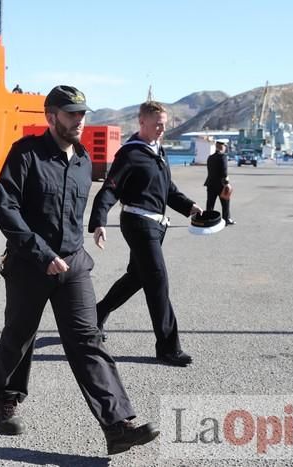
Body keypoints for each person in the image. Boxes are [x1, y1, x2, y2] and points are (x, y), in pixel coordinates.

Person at [0, 85, 159, 455]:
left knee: (87, 341)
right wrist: (40, 251)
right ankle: (6, 397)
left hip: (73, 265)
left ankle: (118, 425)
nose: (79, 120)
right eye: (71, 113)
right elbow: (7, 209)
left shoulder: (84, 160)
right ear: (51, 116)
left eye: (82, 113)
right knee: (20, 334)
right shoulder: (26, 154)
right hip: (31, 264)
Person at [88, 101, 202, 367]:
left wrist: (190, 207)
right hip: (138, 224)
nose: (162, 129)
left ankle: (98, 313)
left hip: (157, 225)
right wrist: (99, 221)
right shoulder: (130, 154)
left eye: (164, 123)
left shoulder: (157, 151)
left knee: (137, 277)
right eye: (157, 124)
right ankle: (168, 348)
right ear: (142, 123)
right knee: (158, 281)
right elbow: (110, 189)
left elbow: (168, 190)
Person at [204, 140, 234, 225]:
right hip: (221, 185)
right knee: (225, 203)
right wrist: (227, 183)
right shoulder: (223, 157)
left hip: (210, 183)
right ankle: (226, 219)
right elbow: (224, 172)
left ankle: (208, 219)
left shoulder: (210, 157)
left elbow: (210, 171)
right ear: (222, 147)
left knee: (210, 203)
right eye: (225, 146)